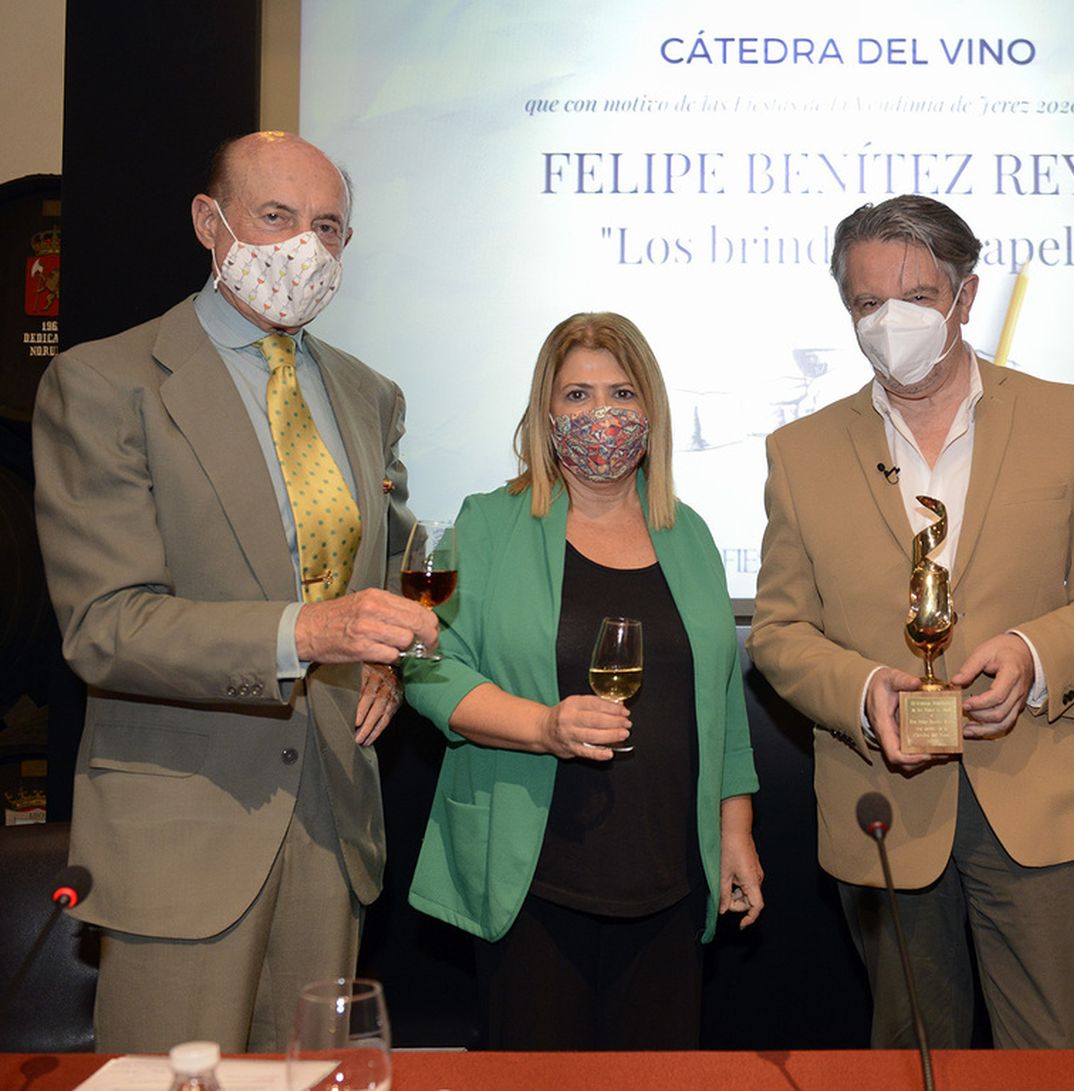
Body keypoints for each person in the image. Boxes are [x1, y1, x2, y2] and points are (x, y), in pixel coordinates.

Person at [31, 131, 437, 1052]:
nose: (307, 245)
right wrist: (312, 631)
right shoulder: (106, 382)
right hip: (184, 828)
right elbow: (106, 625)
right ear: (209, 223)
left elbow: (390, 570)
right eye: (277, 217)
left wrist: (388, 662)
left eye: (329, 225)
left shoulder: (371, 396)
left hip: (334, 822)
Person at [748, 195, 1074, 1049]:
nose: (891, 321)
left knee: (1064, 1054)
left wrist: (1035, 656)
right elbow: (779, 630)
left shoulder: (1065, 417)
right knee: (912, 1057)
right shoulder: (800, 451)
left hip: (1035, 790)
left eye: (918, 298)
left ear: (966, 298)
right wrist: (863, 692)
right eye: (867, 304)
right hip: (883, 807)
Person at [403, 312, 762, 1051]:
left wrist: (736, 831)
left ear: (651, 411)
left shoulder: (689, 534)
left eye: (622, 392)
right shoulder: (489, 523)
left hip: (669, 877)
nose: (602, 414)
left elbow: (721, 701)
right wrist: (544, 727)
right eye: (577, 395)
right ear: (545, 412)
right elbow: (428, 668)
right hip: (534, 882)